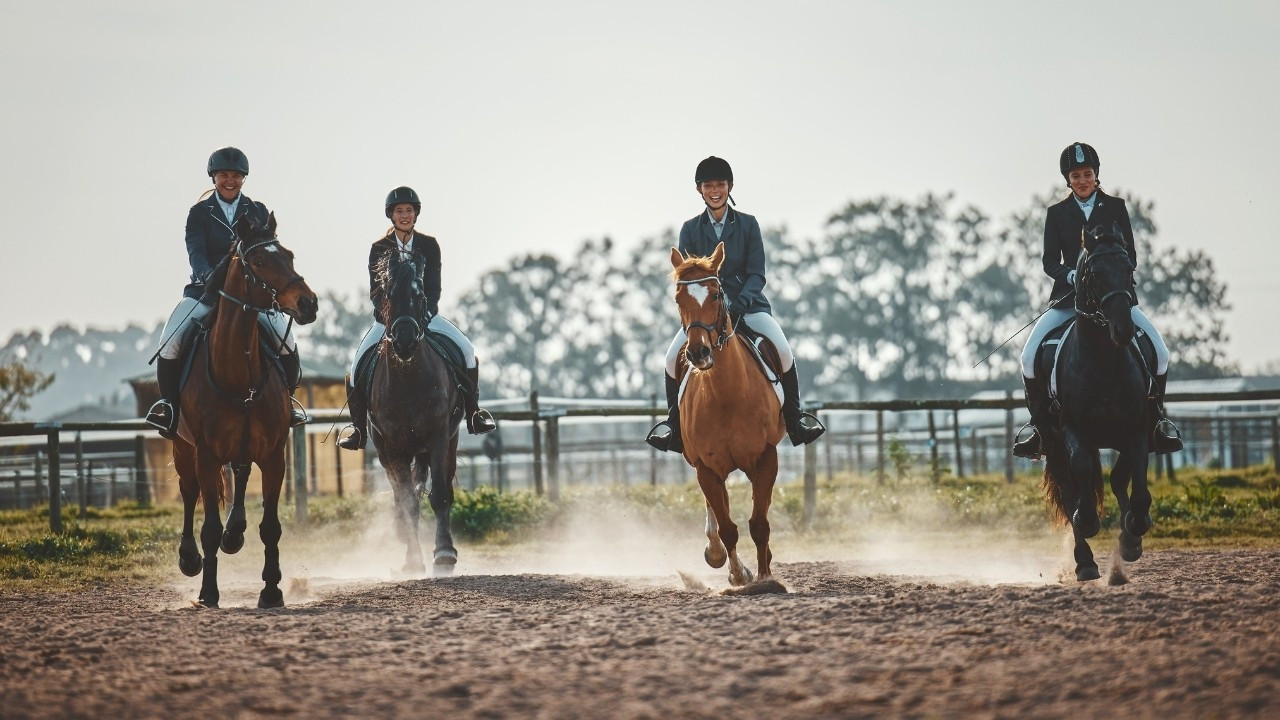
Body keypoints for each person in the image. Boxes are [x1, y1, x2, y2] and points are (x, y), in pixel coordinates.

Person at [1013, 142, 1182, 458]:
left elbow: (1130, 253)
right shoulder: (1057, 214)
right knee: (1027, 357)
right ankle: (1038, 427)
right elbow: (1050, 261)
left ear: (1096, 175)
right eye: (1076, 175)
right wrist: (1070, 276)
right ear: (1068, 179)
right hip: (1069, 301)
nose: (1082, 180)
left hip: (1115, 300)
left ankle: (1157, 421)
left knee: (1160, 352)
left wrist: (1112, 277)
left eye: (1087, 174)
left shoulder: (1116, 207)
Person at [646, 156, 825, 453]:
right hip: (705, 315)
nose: (714, 190)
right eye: (708, 186)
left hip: (749, 307)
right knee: (669, 359)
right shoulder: (690, 229)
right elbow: (688, 275)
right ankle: (674, 428)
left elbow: (758, 274)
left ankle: (794, 421)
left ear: (730, 187)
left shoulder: (748, 225)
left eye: (720, 184)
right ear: (699, 190)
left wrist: (740, 303)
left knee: (783, 350)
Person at [144, 147, 307, 438]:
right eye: (223, 176)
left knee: (286, 341)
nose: (229, 181)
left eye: (235, 176)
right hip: (206, 291)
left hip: (253, 295)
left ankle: (288, 401)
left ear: (243, 179)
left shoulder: (256, 211)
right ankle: (168, 406)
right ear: (214, 178)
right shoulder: (199, 213)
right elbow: (195, 251)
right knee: (169, 340)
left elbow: (267, 252)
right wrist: (208, 276)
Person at [337, 186, 497, 450]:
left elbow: (434, 288)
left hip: (424, 317)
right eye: (399, 211)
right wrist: (390, 318)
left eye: (409, 211)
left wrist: (423, 315)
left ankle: (474, 414)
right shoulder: (379, 248)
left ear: (416, 214)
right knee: (356, 368)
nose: (404, 216)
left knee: (468, 351)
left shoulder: (429, 245)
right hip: (388, 322)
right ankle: (358, 430)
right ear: (391, 215)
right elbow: (376, 293)